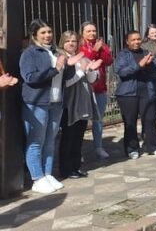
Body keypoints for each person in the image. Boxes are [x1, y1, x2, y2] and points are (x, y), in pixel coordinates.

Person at [20, 19, 74, 194]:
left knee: (50, 140)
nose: (47, 35)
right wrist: (55, 69)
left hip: (56, 101)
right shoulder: (30, 53)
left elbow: (65, 76)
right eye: (43, 32)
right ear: (34, 35)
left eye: (49, 32)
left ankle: (48, 173)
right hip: (37, 102)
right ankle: (37, 178)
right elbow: (30, 77)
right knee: (36, 141)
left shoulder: (57, 52)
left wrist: (69, 65)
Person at [58, 30, 101, 180]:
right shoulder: (62, 58)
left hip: (83, 102)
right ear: (62, 42)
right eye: (68, 41)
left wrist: (91, 70)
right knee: (68, 137)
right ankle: (66, 169)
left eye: (74, 41)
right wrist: (82, 71)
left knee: (78, 137)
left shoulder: (82, 58)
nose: (71, 43)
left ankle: (76, 167)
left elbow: (92, 80)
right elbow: (66, 82)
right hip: (69, 103)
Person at [115, 31, 156, 159]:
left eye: (138, 39)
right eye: (133, 40)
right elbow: (122, 72)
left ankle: (153, 146)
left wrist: (153, 64)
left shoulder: (146, 52)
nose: (136, 42)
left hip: (146, 91)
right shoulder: (123, 55)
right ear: (127, 41)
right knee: (130, 121)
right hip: (128, 93)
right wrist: (140, 65)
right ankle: (132, 148)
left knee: (149, 119)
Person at [79, 22, 114, 159]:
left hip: (100, 88)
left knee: (98, 119)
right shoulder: (79, 46)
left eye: (94, 30)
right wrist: (94, 51)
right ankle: (78, 150)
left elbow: (109, 61)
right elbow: (85, 61)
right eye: (88, 31)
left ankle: (98, 146)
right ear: (82, 32)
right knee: (81, 121)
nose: (92, 33)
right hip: (84, 89)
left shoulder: (101, 45)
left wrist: (100, 50)